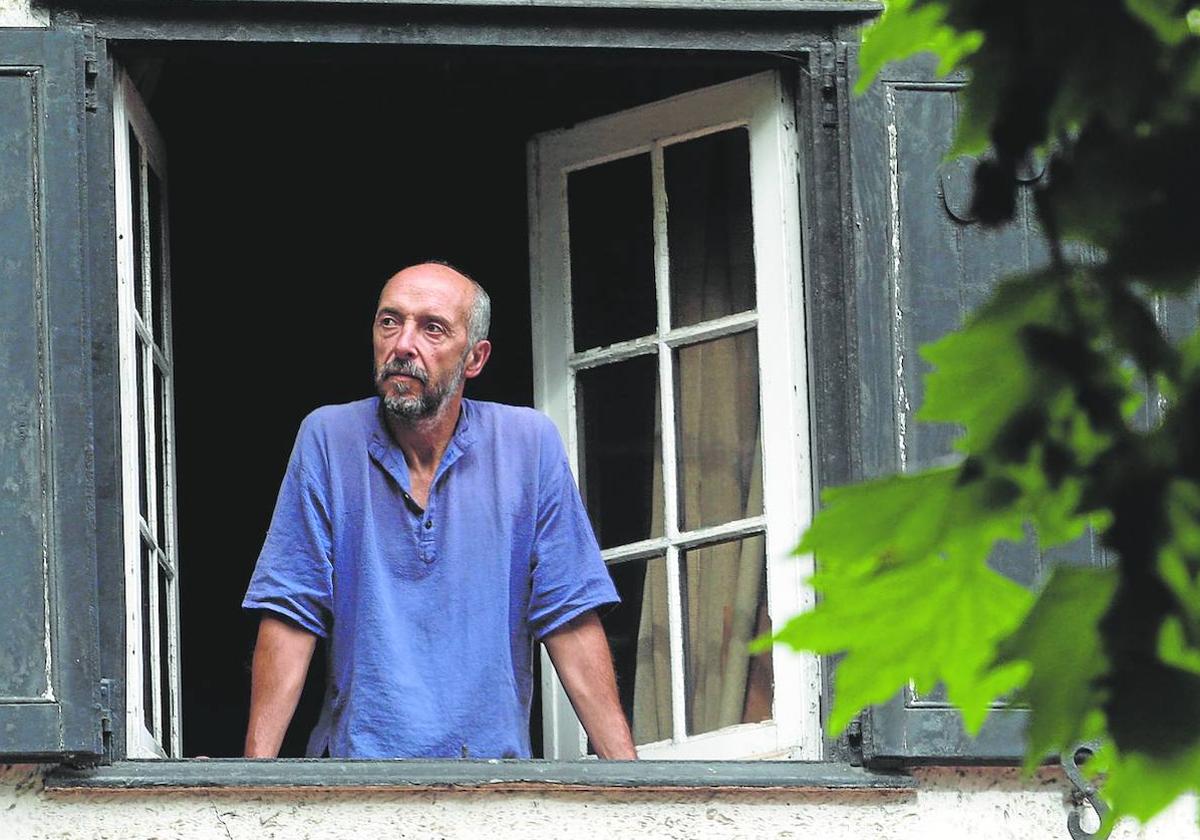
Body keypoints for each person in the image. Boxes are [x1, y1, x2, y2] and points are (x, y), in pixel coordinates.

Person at [241, 261, 637, 760]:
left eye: (432, 328)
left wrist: (630, 782)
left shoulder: (527, 445)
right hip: (355, 778)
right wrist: (252, 784)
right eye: (390, 322)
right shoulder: (328, 438)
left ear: (475, 358)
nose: (404, 344)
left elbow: (570, 617)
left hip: (493, 778)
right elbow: (290, 612)